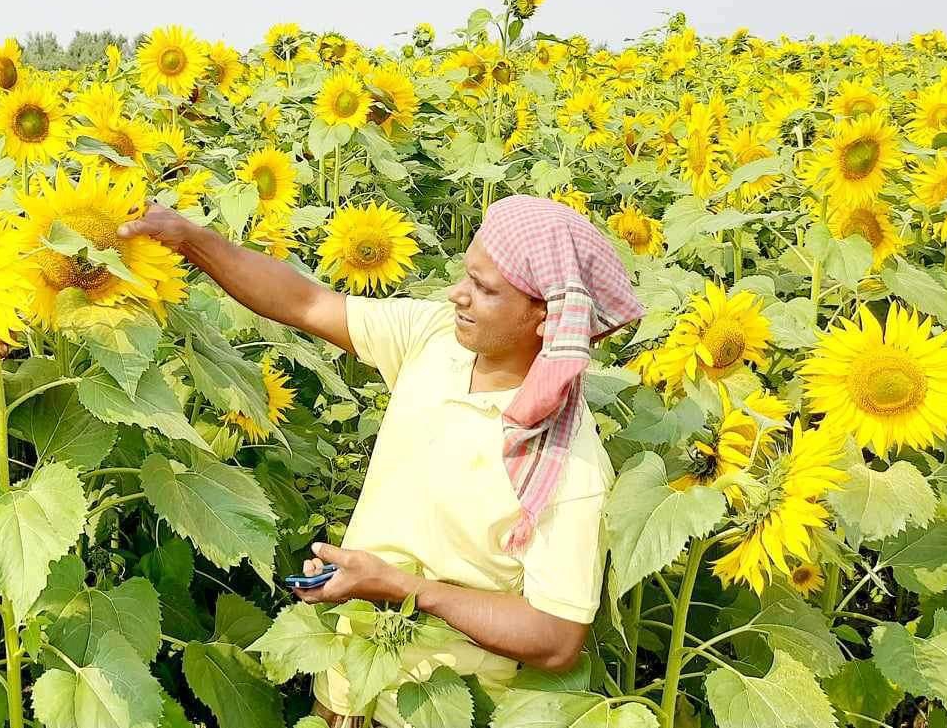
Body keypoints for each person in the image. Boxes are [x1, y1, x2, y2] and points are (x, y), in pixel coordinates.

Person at [119, 194, 643, 728]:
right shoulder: (437, 339)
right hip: (347, 684)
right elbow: (304, 302)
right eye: (467, 275)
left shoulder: (565, 461)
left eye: (484, 289)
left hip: (440, 708)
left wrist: (399, 588)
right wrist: (188, 238)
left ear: (544, 317)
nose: (457, 295)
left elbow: (556, 638)